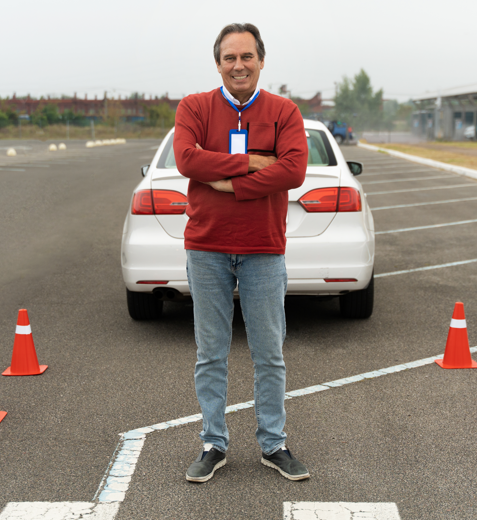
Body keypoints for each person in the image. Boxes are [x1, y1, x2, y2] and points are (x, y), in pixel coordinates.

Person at [173, 23, 309, 483]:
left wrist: (227, 183)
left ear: (261, 60)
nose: (239, 65)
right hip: (206, 248)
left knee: (269, 352)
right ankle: (213, 443)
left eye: (246, 56)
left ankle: (274, 444)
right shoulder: (194, 106)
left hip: (263, 251)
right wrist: (251, 162)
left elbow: (293, 170)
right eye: (229, 58)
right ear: (218, 64)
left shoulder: (284, 111)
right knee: (210, 352)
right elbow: (188, 160)